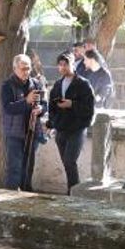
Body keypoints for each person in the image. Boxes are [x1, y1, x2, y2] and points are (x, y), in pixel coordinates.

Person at [47, 52, 96, 193]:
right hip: (61, 129)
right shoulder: (57, 85)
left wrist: (72, 104)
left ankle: (73, 192)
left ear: (73, 64)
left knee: (70, 161)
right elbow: (52, 108)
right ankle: (73, 190)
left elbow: (89, 109)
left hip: (77, 129)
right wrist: (51, 124)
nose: (63, 67)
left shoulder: (83, 84)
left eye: (66, 64)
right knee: (67, 164)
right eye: (60, 65)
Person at [0, 54, 47, 191]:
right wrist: (26, 101)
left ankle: (26, 194)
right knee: (14, 168)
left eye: (28, 68)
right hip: (14, 133)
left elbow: (44, 104)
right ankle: (10, 196)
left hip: (32, 131)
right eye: (23, 69)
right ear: (15, 69)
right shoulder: (7, 85)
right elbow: (8, 108)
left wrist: (41, 109)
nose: (26, 72)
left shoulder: (36, 83)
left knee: (28, 167)